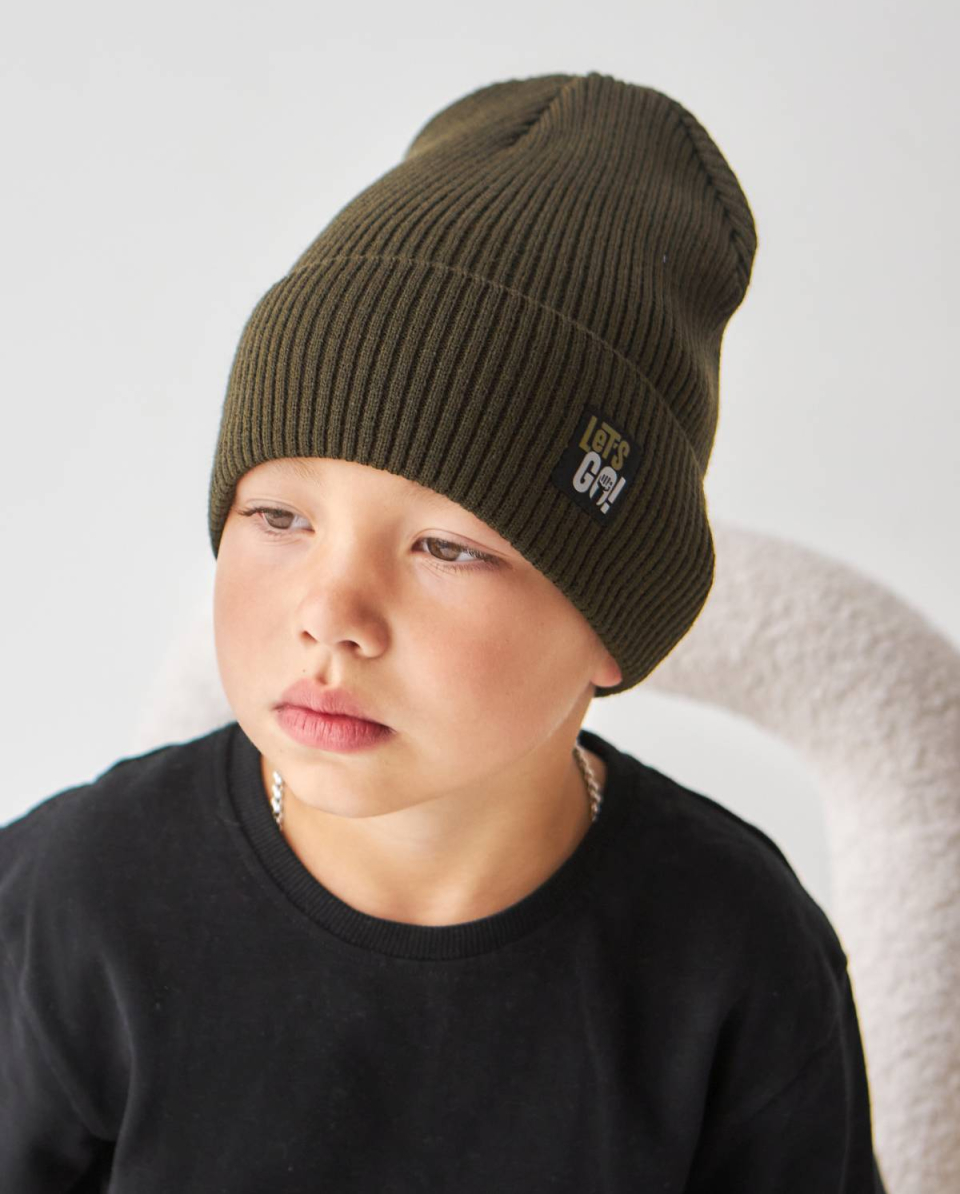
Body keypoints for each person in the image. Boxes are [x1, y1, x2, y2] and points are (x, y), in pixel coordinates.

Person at [0, 71, 888, 1191]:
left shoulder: (735, 956)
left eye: (447, 548)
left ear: (614, 622)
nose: (331, 614)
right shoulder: (78, 901)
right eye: (280, 517)